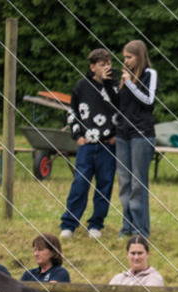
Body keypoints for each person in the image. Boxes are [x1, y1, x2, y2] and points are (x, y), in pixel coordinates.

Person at [60, 47, 118, 240]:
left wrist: (115, 134)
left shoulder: (115, 86)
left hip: (107, 145)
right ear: (92, 67)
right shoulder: (82, 86)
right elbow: (73, 112)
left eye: (108, 64)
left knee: (105, 184)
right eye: (102, 65)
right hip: (87, 144)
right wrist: (77, 136)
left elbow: (122, 109)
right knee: (80, 184)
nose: (106, 68)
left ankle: (96, 224)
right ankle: (69, 223)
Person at [115, 39, 157, 238]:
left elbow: (149, 101)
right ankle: (127, 226)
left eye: (129, 57)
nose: (125, 61)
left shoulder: (149, 74)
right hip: (123, 134)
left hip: (142, 134)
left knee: (138, 183)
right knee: (124, 183)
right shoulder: (123, 78)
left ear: (139, 57)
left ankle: (140, 230)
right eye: (124, 57)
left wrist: (131, 84)